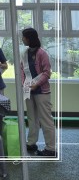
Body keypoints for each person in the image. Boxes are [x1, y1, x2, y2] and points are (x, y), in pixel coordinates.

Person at [20, 27, 57, 157]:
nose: (22, 39)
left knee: (45, 120)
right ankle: (31, 143)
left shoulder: (42, 53)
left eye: (24, 37)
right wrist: (25, 84)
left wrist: (36, 84)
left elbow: (47, 72)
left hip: (42, 92)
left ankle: (51, 149)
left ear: (29, 38)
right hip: (29, 91)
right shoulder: (24, 53)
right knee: (32, 118)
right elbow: (22, 70)